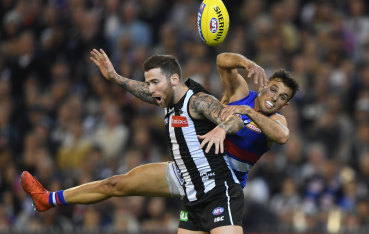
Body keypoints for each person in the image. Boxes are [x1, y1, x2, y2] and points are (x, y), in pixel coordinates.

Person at [21, 52, 299, 231]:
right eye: (273, 89)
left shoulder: (276, 122)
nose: (274, 97)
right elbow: (222, 60)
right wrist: (248, 63)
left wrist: (234, 122)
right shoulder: (239, 93)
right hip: (189, 176)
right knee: (115, 183)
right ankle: (48, 199)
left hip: (220, 183)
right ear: (263, 85)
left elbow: (280, 136)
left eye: (282, 97)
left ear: (285, 106)